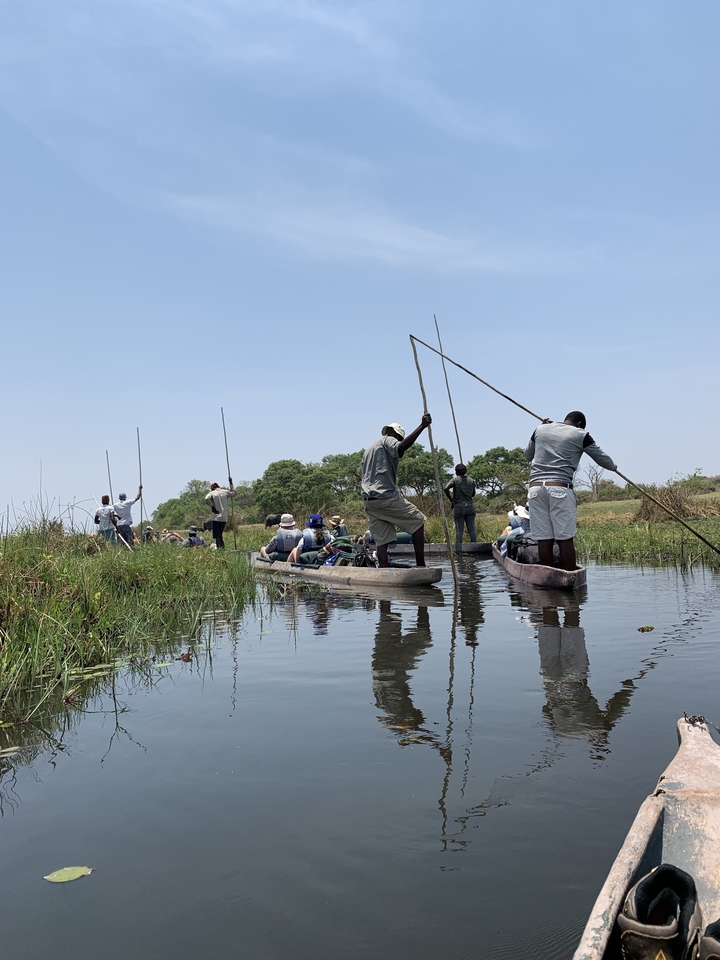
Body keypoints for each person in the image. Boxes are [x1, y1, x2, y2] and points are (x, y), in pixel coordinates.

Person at [524, 411, 617, 571]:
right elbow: (604, 460)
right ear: (580, 424)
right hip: (560, 488)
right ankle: (570, 580)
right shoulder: (581, 434)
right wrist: (614, 467)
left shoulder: (540, 429)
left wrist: (542, 429)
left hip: (535, 489)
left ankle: (549, 579)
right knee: (564, 539)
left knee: (544, 539)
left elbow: (527, 455)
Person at [361, 415, 432, 568]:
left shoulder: (369, 449)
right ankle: (421, 567)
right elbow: (399, 448)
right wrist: (422, 426)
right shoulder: (389, 439)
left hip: (370, 502)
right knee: (418, 521)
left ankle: (385, 573)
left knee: (382, 540)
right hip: (385, 496)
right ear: (397, 435)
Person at [444, 464, 477, 546]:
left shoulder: (455, 480)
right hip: (470, 507)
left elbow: (446, 488)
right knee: (472, 529)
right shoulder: (471, 480)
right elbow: (473, 494)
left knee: (459, 530)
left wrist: (451, 500)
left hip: (459, 507)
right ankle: (474, 547)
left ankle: (458, 550)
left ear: (456, 472)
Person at [204, 480, 236, 549]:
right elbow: (234, 493)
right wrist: (231, 483)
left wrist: (212, 507)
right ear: (218, 487)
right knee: (220, 534)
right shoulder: (225, 492)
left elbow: (206, 498)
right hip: (224, 518)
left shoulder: (212, 493)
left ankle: (219, 549)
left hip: (215, 517)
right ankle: (222, 548)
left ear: (212, 488)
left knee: (217, 536)